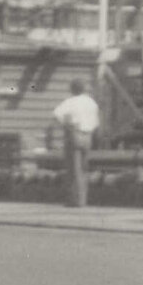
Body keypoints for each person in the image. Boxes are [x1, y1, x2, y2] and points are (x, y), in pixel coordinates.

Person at [52, 77, 100, 208]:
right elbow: (96, 122)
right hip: (88, 135)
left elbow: (56, 114)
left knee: (74, 168)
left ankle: (74, 200)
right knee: (84, 168)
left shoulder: (70, 102)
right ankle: (83, 199)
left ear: (72, 89)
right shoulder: (91, 102)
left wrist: (66, 124)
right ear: (84, 89)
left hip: (74, 133)